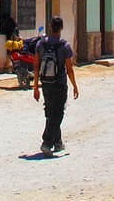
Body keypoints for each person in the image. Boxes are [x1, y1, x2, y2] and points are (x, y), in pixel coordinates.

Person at [33, 15, 79, 156]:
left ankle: (58, 142)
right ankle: (47, 143)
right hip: (59, 84)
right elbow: (69, 69)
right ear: (62, 28)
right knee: (58, 114)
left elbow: (36, 66)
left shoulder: (40, 44)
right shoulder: (65, 46)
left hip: (46, 83)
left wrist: (36, 87)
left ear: (50, 27)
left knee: (50, 112)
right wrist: (75, 86)